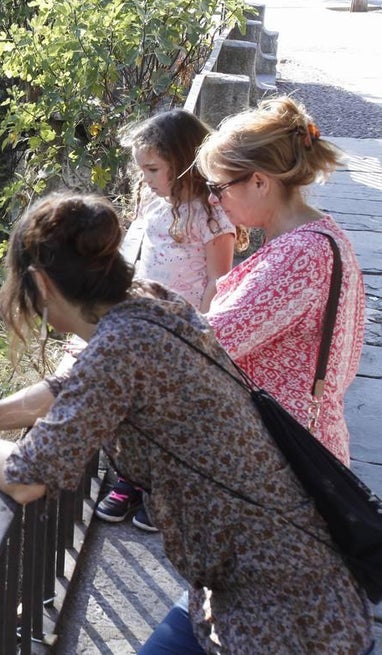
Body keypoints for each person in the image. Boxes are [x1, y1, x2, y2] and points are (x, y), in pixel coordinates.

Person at [0, 193, 374, 654]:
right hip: (269, 571)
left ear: (40, 283)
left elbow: (24, 479)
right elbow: (73, 383)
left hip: (279, 613)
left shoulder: (119, 349)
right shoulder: (151, 303)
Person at [197, 96, 365, 464]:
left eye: (218, 187)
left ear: (259, 181)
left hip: (282, 458)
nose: (213, 200)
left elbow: (205, 344)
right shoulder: (321, 237)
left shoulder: (300, 255)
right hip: (297, 444)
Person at [97, 109, 236, 530]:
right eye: (141, 169)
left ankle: (162, 493)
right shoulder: (154, 203)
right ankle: (129, 481)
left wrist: (203, 335)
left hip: (182, 333)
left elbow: (219, 281)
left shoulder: (211, 216)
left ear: (185, 161)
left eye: (153, 169)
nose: (145, 178)